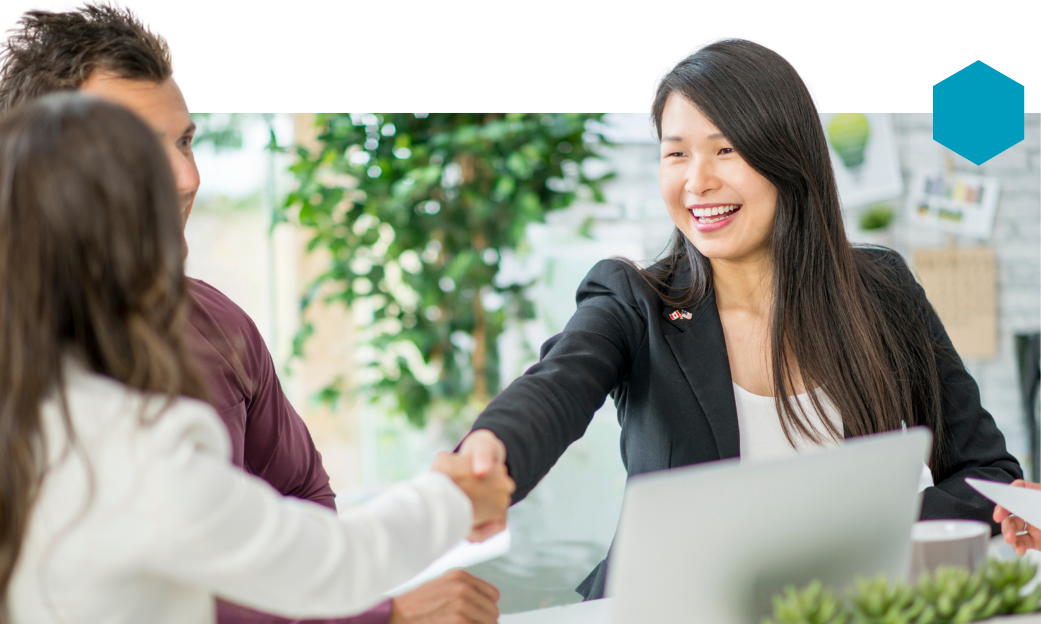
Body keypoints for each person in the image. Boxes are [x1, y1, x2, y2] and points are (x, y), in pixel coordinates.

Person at [456, 35, 1024, 602]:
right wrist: (491, 447)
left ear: (787, 155)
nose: (697, 182)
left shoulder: (881, 291)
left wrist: (875, 534)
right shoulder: (634, 302)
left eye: (725, 149)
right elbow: (556, 389)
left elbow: (988, 474)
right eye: (676, 153)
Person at [0, 3, 504, 624]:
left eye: (185, 140)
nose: (187, 177)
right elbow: (329, 563)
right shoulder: (117, 442)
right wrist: (449, 508)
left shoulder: (218, 328)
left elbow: (302, 509)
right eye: (135, 155)